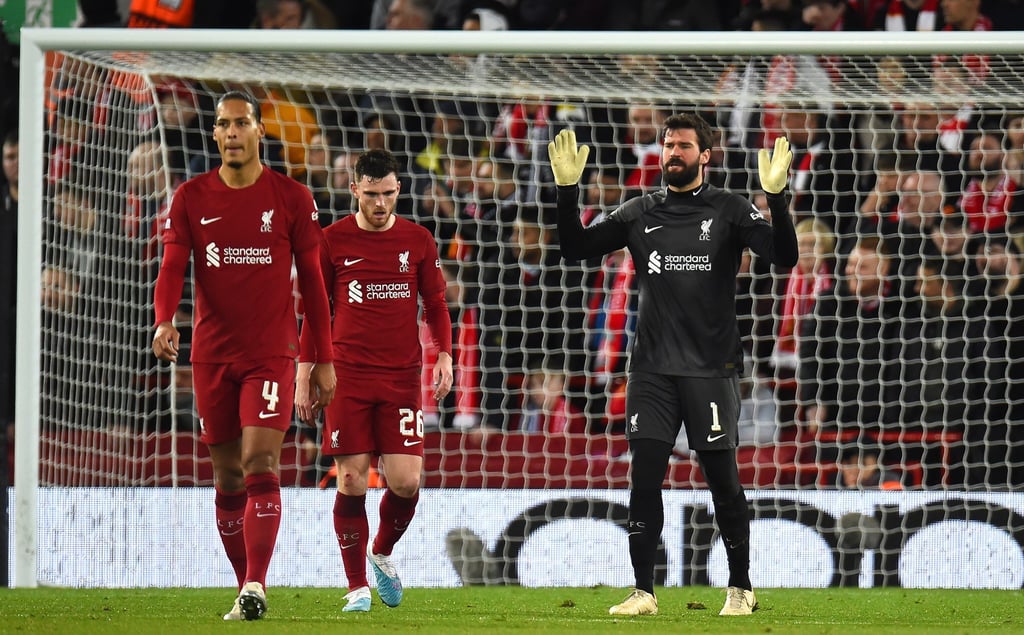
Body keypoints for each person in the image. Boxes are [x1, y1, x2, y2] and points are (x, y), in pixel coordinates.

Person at [548, 114, 799, 616]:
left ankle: (741, 587)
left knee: (722, 480)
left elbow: (784, 256)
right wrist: (568, 190)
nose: (673, 153)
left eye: (683, 145)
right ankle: (644, 592)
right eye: (668, 145)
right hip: (652, 371)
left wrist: (777, 199)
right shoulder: (640, 210)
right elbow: (574, 248)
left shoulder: (729, 209)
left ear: (705, 155)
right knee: (644, 477)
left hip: (711, 369)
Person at [151, 90, 337, 621]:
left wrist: (320, 358)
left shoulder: (292, 198)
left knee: (261, 462)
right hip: (211, 356)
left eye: (241, 124)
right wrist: (165, 318)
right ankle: (246, 589)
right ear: (214, 134)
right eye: (223, 125)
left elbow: (317, 288)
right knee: (227, 477)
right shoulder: (191, 197)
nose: (231, 133)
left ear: (259, 131)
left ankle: (256, 582)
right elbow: (171, 268)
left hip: (270, 354)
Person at [294, 148, 453, 613]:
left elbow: (437, 304)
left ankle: (380, 552)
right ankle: (356, 586)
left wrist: (444, 352)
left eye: (387, 194)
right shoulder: (330, 241)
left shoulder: (419, 240)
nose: (380, 205)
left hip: (402, 377)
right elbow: (314, 313)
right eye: (371, 195)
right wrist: (305, 371)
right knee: (351, 480)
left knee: (406, 482)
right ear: (354, 191)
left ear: (398, 190)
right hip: (346, 377)